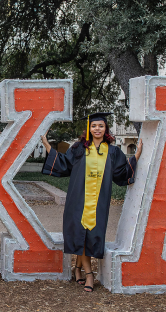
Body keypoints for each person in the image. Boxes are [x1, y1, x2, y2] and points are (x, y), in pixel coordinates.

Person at [40, 113, 142, 292]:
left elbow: (121, 172)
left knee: (90, 235)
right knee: (80, 232)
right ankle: (89, 274)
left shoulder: (113, 151)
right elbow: (63, 163)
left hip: (99, 201)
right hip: (78, 198)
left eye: (100, 126)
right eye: (94, 126)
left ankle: (77, 268)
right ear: (89, 128)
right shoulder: (79, 148)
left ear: (105, 129)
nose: (97, 129)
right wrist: (47, 145)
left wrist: (136, 157)